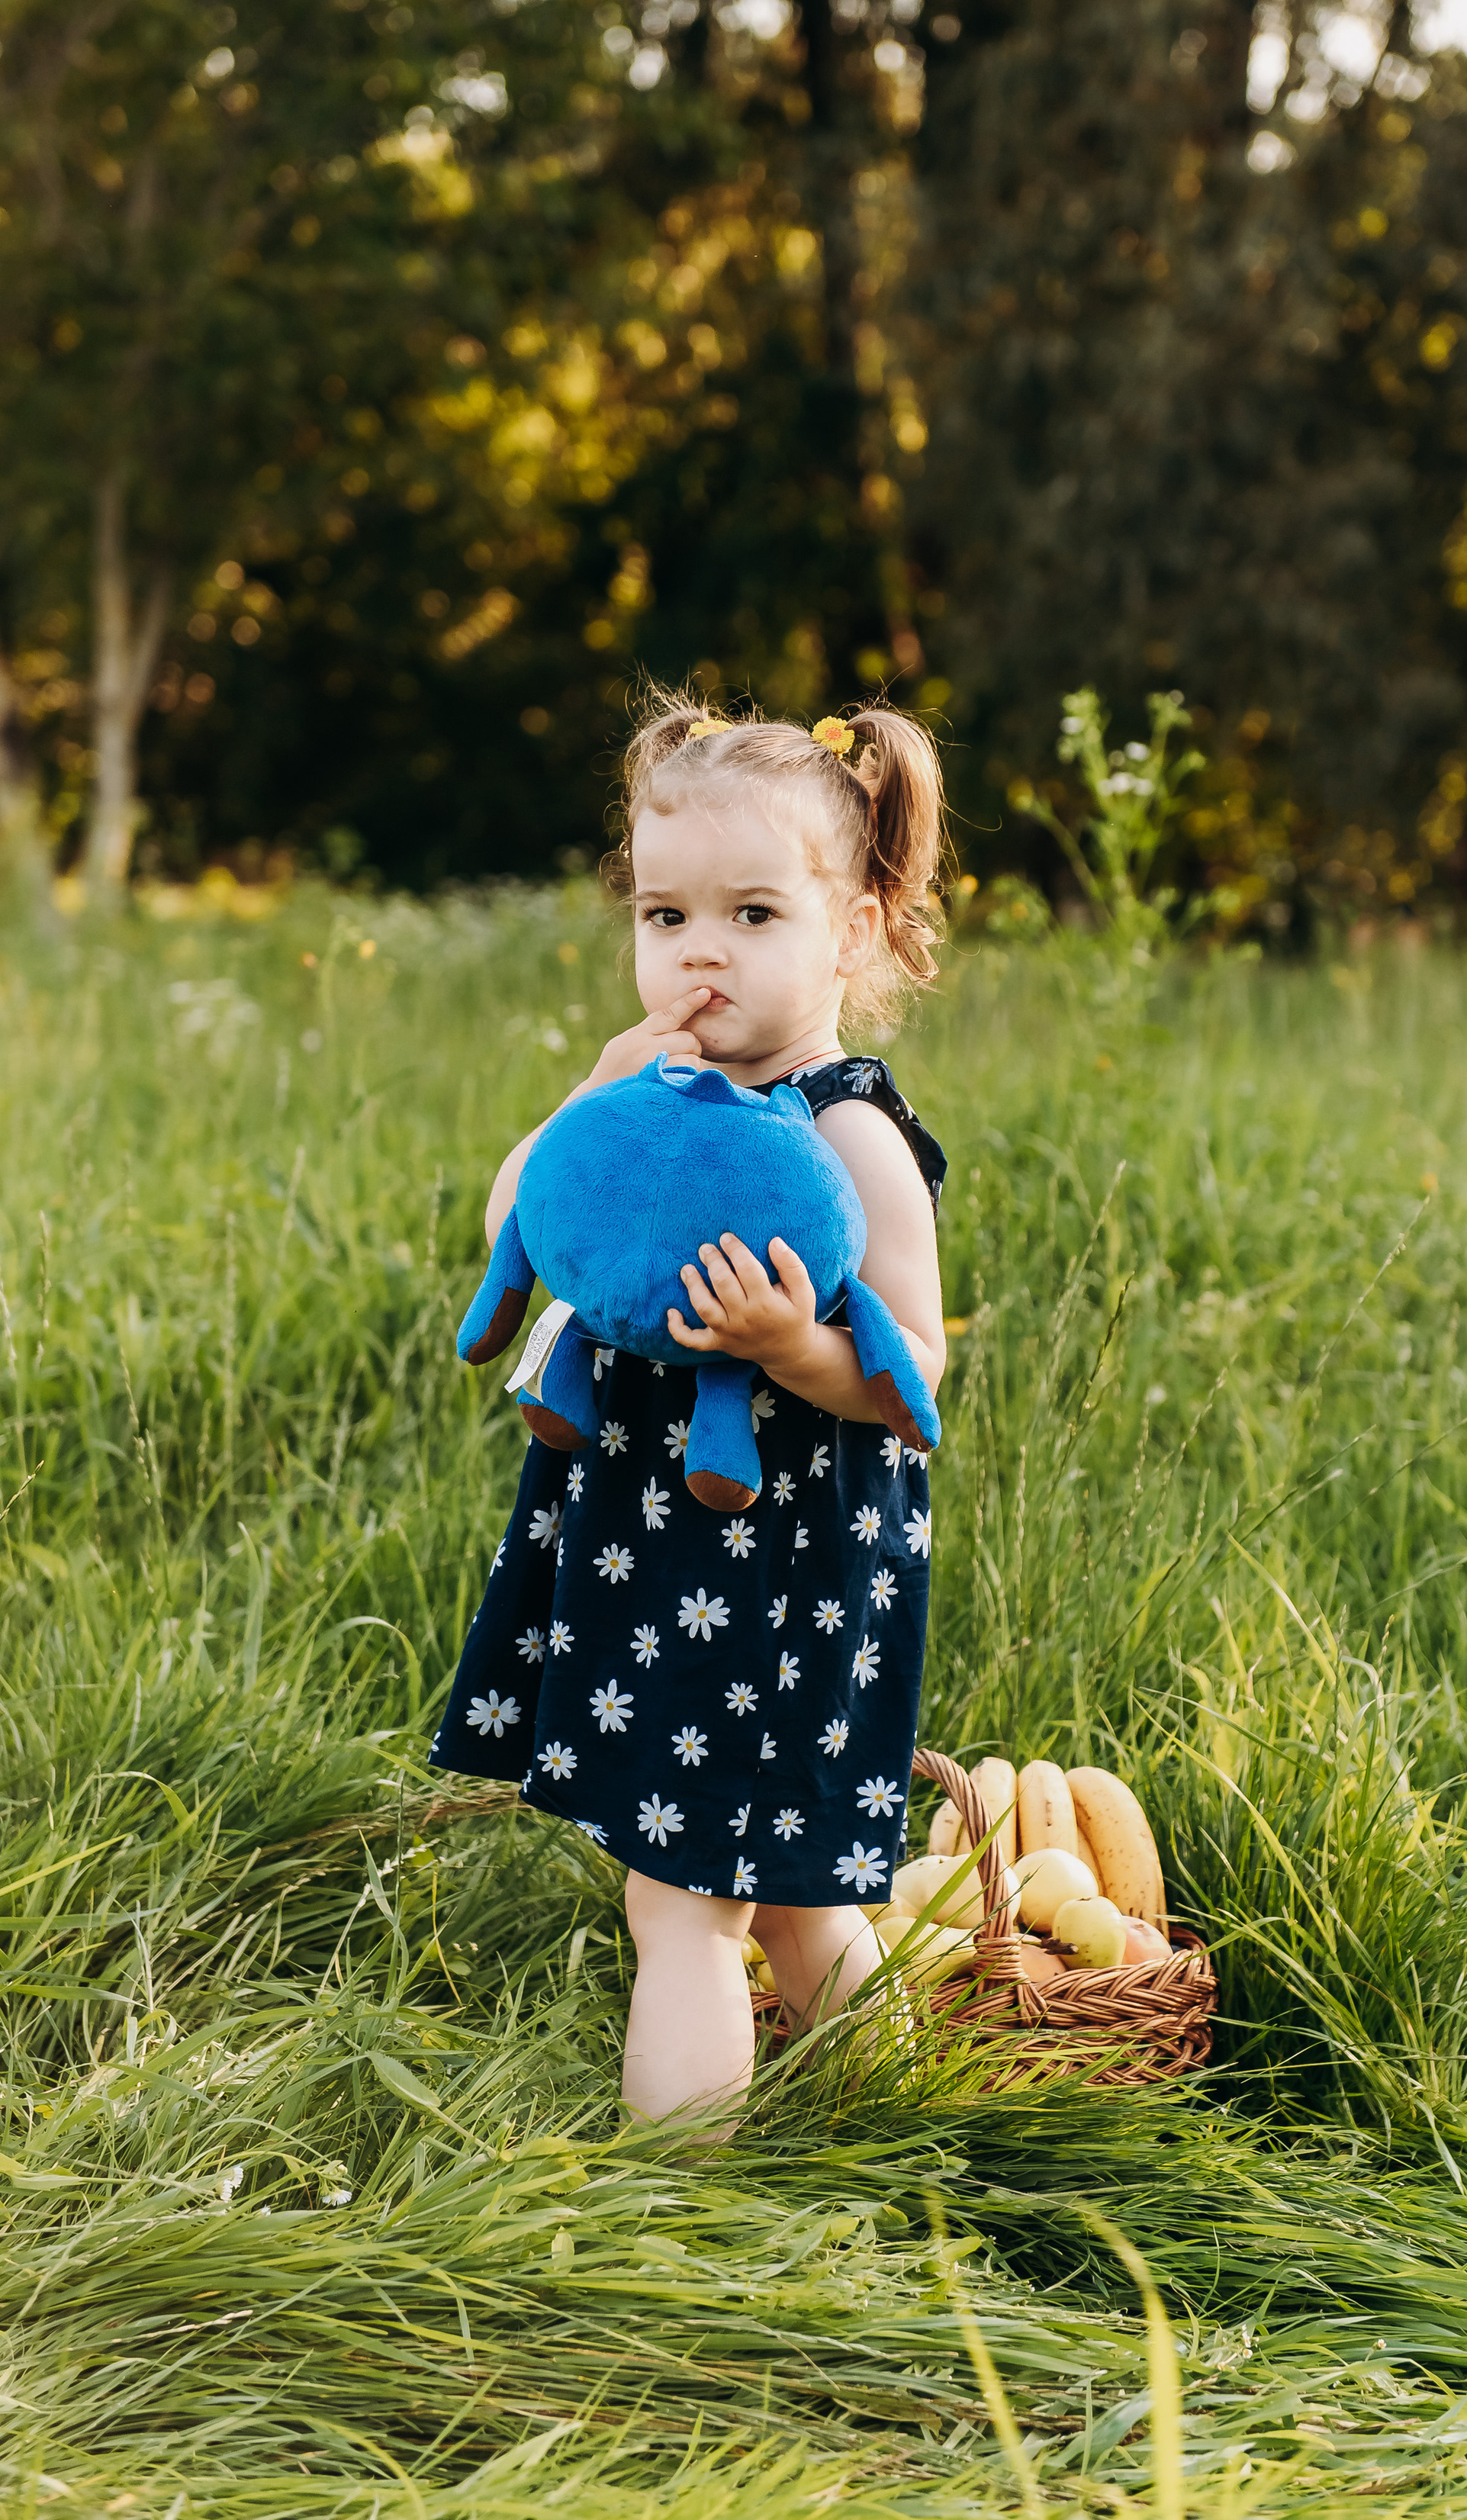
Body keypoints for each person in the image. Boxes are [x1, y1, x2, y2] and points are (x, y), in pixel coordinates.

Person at [429, 697, 950, 2128]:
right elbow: (520, 1213)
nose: (698, 952)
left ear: (853, 930)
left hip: (786, 1564)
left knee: (684, 1902)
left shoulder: (849, 1128)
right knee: (790, 1896)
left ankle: (678, 2198)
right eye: (665, 915)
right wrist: (582, 1096)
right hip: (655, 1542)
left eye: (753, 913)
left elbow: (915, 1367)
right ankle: (896, 2110)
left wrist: (791, 1345)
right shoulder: (647, 1094)